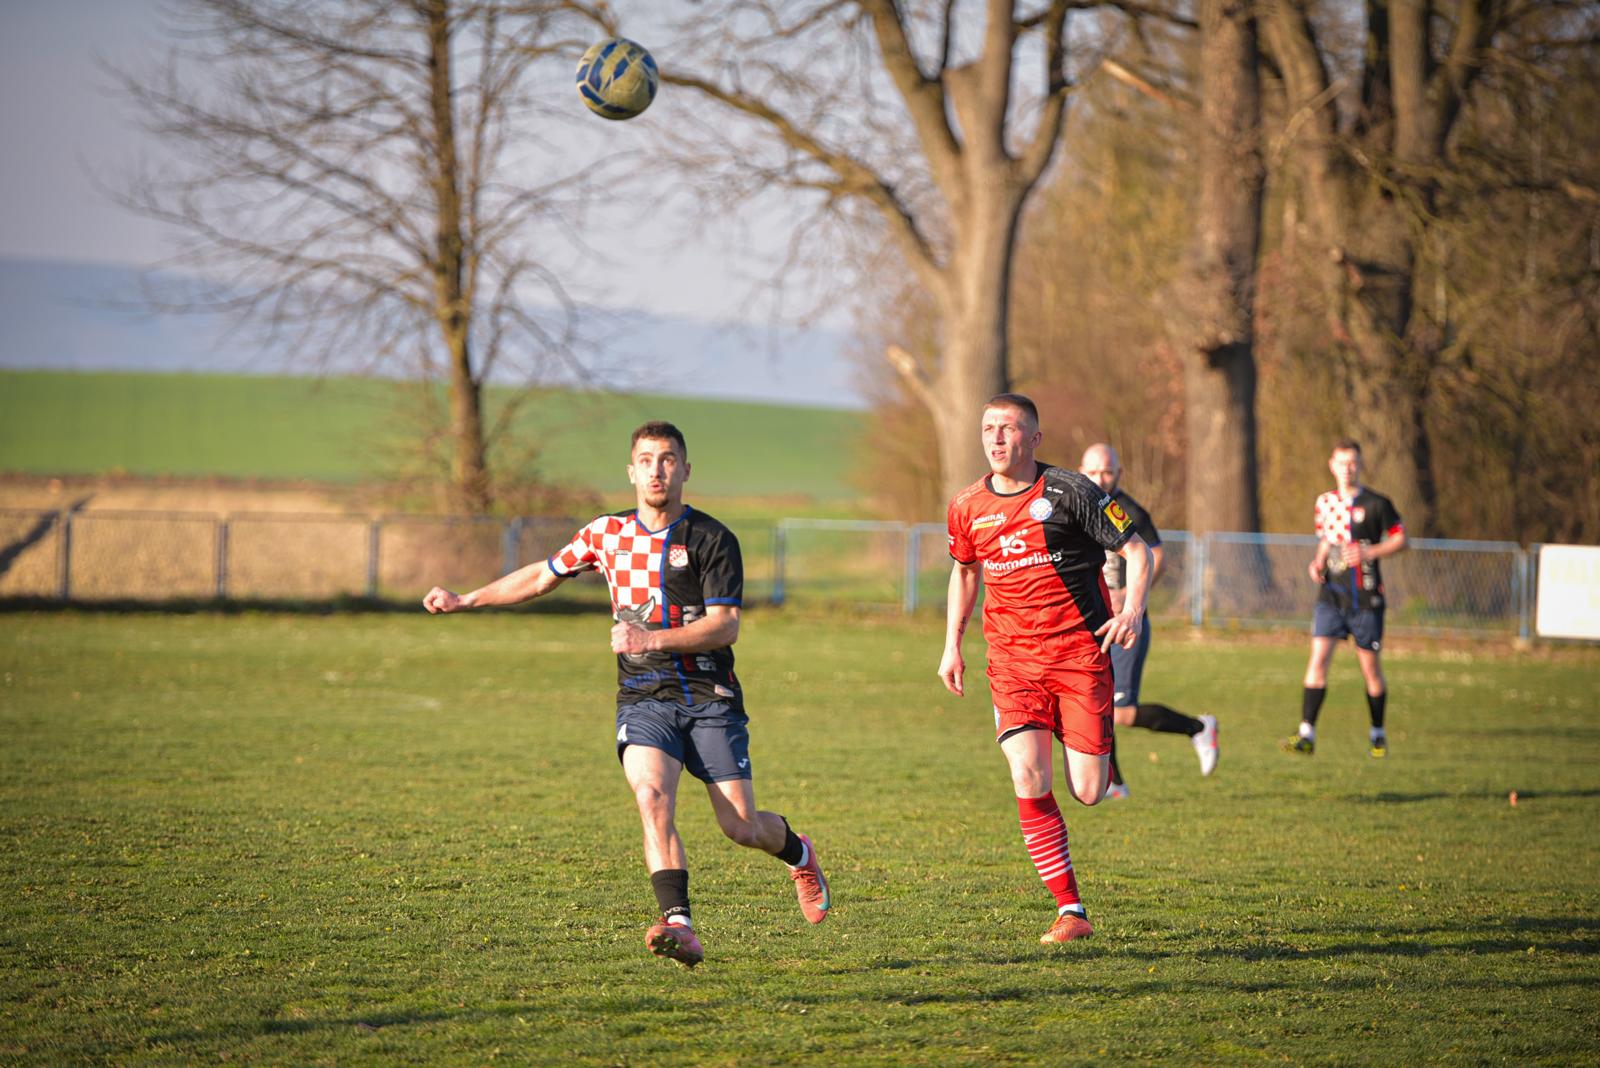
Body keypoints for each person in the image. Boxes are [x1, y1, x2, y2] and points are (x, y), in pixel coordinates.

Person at [423, 421, 829, 969]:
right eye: (646, 460)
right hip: (643, 695)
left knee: (740, 826)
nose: (657, 470)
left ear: (685, 470)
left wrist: (650, 638)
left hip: (710, 696)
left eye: (668, 459)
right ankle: (679, 924)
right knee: (651, 795)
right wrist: (466, 599)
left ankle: (799, 853)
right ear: (631, 471)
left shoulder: (712, 539)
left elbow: (726, 626)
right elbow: (542, 576)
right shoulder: (606, 534)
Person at [939, 394, 1153, 944]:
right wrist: (951, 645)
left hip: (1080, 657)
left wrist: (1132, 609)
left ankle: (1072, 728)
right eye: (988, 428)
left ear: (1033, 438)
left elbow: (1138, 551)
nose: (996, 438)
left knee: (1090, 789)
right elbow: (965, 573)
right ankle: (1070, 910)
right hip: (1012, 662)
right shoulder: (966, 505)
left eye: (1008, 429)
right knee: (1028, 775)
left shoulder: (1072, 491)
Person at [1078, 444, 1219, 798]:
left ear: (1119, 473)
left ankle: (1198, 727)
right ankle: (1114, 784)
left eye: (1107, 471)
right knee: (1095, 703)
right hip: (1091, 622)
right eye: (1092, 472)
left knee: (1121, 712)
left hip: (1125, 624)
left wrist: (1127, 595)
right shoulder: (1078, 506)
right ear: (1081, 471)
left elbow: (1157, 556)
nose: (1100, 478)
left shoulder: (1129, 511)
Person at [1283, 439, 1408, 757]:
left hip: (1366, 599)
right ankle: (1307, 733)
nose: (1347, 469)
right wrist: (1317, 562)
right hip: (1331, 596)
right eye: (1342, 462)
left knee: (1370, 670)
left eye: (1353, 462)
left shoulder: (1377, 503)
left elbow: (1401, 539)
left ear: (1360, 465)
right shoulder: (1325, 502)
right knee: (1317, 660)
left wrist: (1370, 551)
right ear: (1332, 465)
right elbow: (1326, 539)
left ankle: (1377, 733)